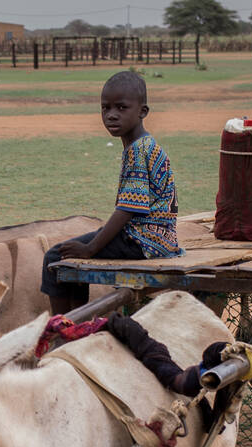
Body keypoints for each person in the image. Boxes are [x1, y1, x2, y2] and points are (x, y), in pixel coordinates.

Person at [41, 70, 182, 316]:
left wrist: (91, 248)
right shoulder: (144, 144)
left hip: (142, 241)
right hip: (160, 239)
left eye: (121, 107)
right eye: (105, 108)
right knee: (72, 253)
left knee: (55, 258)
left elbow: (128, 208)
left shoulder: (137, 151)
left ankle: (61, 331)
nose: (111, 115)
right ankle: (79, 324)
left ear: (143, 112)